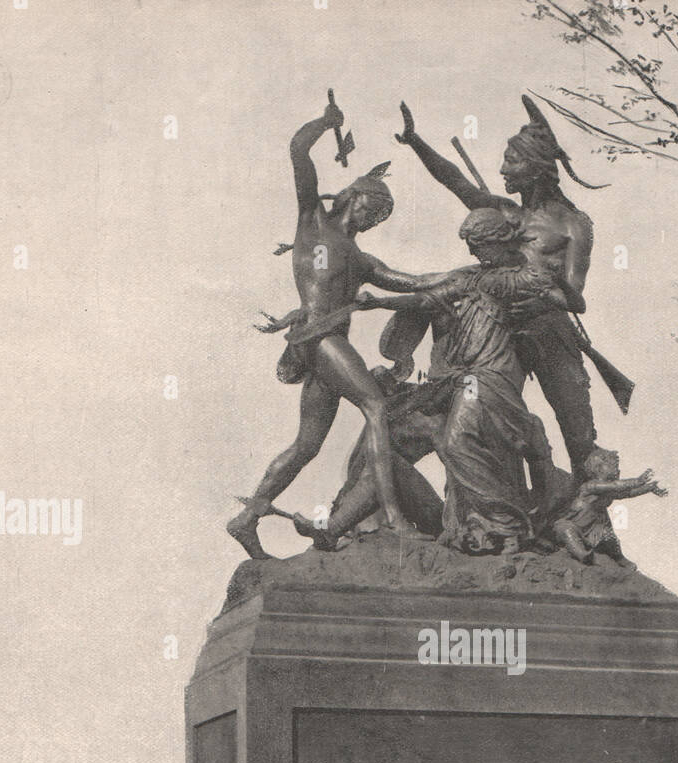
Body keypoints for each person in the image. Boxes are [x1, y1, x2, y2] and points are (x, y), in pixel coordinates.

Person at [227, 96, 455, 559]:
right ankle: (392, 518)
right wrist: (325, 122)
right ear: (354, 196)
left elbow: (413, 282)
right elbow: (298, 150)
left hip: (324, 348)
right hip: (319, 337)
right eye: (374, 209)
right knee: (375, 406)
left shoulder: (363, 259)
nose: (374, 220)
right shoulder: (311, 222)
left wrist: (466, 275)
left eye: (381, 217)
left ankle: (247, 518)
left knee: (306, 445)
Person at [291, 206, 582, 555]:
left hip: (487, 378)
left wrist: (555, 276)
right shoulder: (468, 278)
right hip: (453, 383)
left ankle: (505, 523)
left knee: (458, 443)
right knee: (388, 450)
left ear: (497, 242)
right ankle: (333, 528)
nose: (472, 252)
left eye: (477, 244)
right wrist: (380, 301)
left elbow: (573, 303)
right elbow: (425, 296)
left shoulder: (514, 280)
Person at [395, 95, 621, 482]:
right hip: (497, 334)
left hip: (548, 331)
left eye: (512, 161)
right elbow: (455, 181)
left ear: (535, 169)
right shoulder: (504, 211)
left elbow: (575, 296)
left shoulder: (574, 224)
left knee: (577, 428)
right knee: (481, 419)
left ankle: (592, 518)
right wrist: (416, 142)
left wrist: (533, 292)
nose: (502, 169)